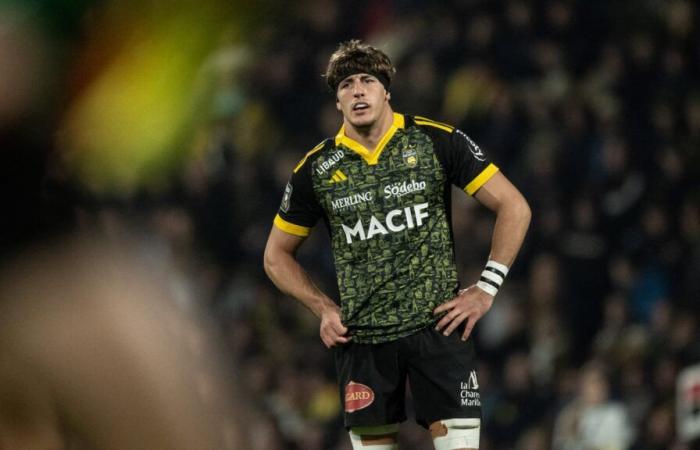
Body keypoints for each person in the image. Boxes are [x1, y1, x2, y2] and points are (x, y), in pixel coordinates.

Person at [264, 40, 531, 450]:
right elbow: (275, 256)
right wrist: (322, 308)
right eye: (346, 85)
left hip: (438, 329)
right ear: (336, 101)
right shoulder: (316, 169)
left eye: (367, 80)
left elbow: (514, 206)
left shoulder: (434, 141)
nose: (357, 91)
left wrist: (486, 289)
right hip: (364, 343)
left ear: (386, 90)